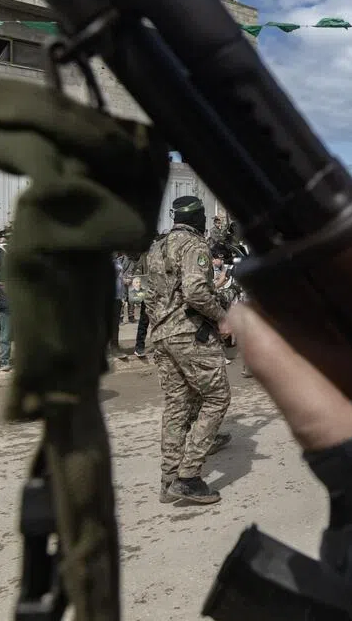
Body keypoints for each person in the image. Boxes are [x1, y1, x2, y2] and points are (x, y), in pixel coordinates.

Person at [142, 196, 231, 505]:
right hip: (189, 335)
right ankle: (189, 476)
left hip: (162, 335)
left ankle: (168, 479)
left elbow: (150, 297)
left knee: (177, 405)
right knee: (217, 397)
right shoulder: (194, 246)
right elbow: (195, 291)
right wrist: (222, 318)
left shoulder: (158, 247)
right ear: (198, 218)